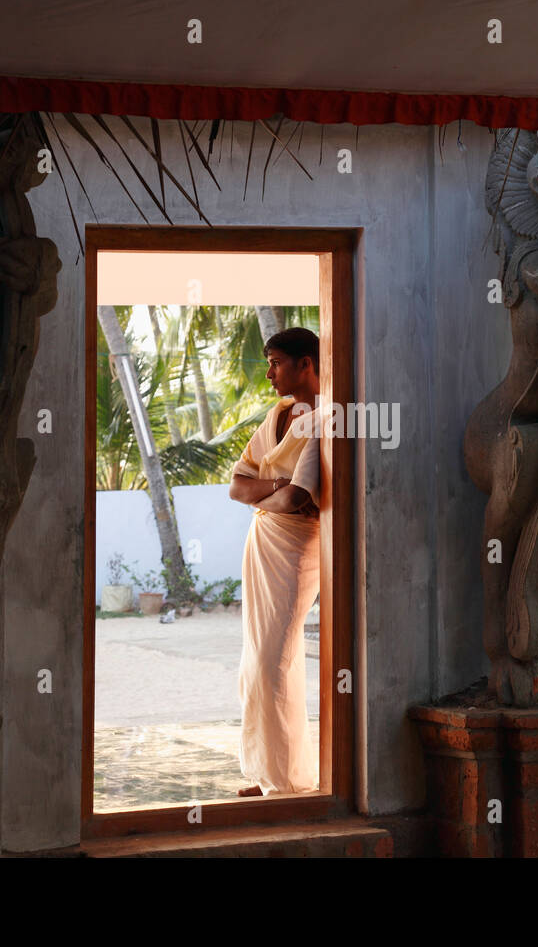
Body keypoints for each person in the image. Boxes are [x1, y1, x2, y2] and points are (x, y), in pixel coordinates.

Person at [227, 327, 322, 797]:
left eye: (277, 362)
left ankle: (287, 787)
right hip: (261, 542)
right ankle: (269, 775)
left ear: (306, 364)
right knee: (254, 663)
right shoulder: (279, 414)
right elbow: (237, 486)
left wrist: (271, 491)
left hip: (297, 547)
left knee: (274, 662)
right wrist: (274, 487)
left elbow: (300, 497)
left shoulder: (326, 417)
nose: (269, 374)